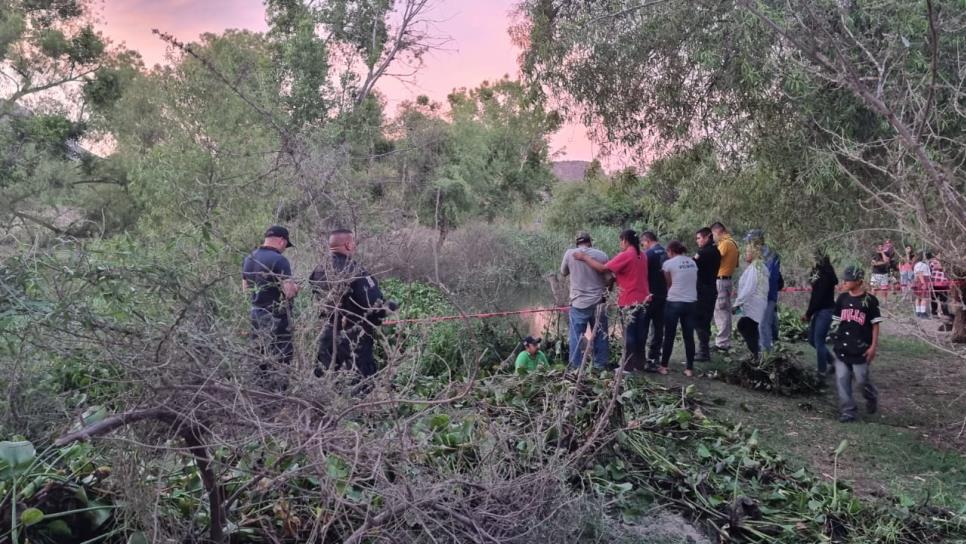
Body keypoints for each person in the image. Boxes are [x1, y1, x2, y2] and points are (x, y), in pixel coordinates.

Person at [310, 229, 397, 378]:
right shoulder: (356, 270)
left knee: (326, 380)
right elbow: (374, 306)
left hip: (327, 335)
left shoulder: (318, 270)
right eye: (354, 243)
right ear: (348, 245)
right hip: (354, 337)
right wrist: (390, 307)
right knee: (359, 384)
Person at [574, 229, 651, 371]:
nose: (620, 244)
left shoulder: (627, 254)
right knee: (640, 334)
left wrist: (585, 257)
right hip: (643, 299)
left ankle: (627, 367)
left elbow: (603, 268)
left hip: (629, 300)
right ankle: (639, 364)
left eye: (620, 241)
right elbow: (630, 273)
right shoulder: (643, 255)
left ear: (625, 241)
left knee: (629, 334)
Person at [242, 225, 300, 387]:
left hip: (255, 315)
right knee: (281, 357)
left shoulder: (249, 258)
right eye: (285, 245)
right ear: (282, 240)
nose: (284, 249)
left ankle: (259, 392)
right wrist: (296, 288)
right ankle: (278, 394)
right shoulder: (279, 260)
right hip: (277, 317)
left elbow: (245, 289)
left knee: (259, 355)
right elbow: (288, 292)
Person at [831, 266, 881, 423]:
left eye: (848, 279)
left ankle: (871, 396)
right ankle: (848, 411)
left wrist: (873, 346)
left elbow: (875, 325)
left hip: (861, 349)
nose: (844, 282)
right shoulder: (842, 299)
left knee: (861, 380)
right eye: (844, 279)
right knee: (842, 378)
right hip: (842, 347)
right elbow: (836, 321)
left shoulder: (870, 301)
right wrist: (832, 334)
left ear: (859, 281)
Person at [560, 232, 610, 369]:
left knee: (576, 336)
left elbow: (563, 272)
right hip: (598, 302)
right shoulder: (602, 255)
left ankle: (576, 367)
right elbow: (609, 278)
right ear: (590, 242)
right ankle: (600, 366)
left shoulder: (570, 253)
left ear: (577, 243)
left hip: (578, 303)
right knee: (601, 335)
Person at [660, 241, 699, 376]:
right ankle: (689, 368)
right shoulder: (692, 262)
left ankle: (664, 366)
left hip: (674, 301)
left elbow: (668, 283)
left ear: (670, 251)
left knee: (669, 335)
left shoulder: (668, 264)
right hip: (691, 302)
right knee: (689, 336)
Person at [744, 229, 783, 352]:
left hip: (767, 295)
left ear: (756, 241)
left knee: (763, 325)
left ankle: (766, 354)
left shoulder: (771, 255)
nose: (748, 245)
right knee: (765, 322)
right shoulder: (758, 255)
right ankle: (770, 345)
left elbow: (770, 277)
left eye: (750, 242)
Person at [803, 251, 838, 376]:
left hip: (825, 310)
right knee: (812, 340)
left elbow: (818, 297)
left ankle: (821, 371)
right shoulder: (819, 272)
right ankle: (833, 362)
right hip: (820, 310)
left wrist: (808, 313)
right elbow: (814, 293)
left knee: (818, 341)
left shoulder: (825, 275)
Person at [732, 241, 769, 358]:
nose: (746, 254)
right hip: (757, 304)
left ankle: (756, 354)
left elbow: (749, 288)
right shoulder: (759, 266)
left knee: (744, 325)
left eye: (748, 252)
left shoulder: (756, 267)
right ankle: (756, 353)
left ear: (754, 253)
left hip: (755, 304)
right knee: (749, 328)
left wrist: (737, 303)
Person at [711, 222, 740, 352]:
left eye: (713, 234)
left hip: (721, 281)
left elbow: (715, 257)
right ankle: (725, 341)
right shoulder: (734, 243)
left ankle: (722, 343)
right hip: (727, 280)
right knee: (725, 311)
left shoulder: (725, 243)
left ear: (717, 231)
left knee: (720, 311)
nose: (713, 238)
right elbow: (737, 264)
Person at [693, 227, 720, 361]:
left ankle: (703, 351)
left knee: (700, 321)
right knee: (705, 320)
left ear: (707, 237)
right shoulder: (715, 250)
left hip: (703, 291)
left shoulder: (704, 252)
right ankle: (704, 350)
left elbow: (693, 264)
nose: (697, 241)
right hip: (710, 288)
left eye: (699, 238)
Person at [641, 231, 668, 367]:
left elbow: (642, 275)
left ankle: (640, 356)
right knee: (658, 327)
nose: (643, 246)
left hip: (649, 295)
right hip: (663, 295)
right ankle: (654, 356)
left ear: (647, 241)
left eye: (643, 243)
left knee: (644, 325)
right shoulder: (666, 253)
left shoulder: (647, 255)